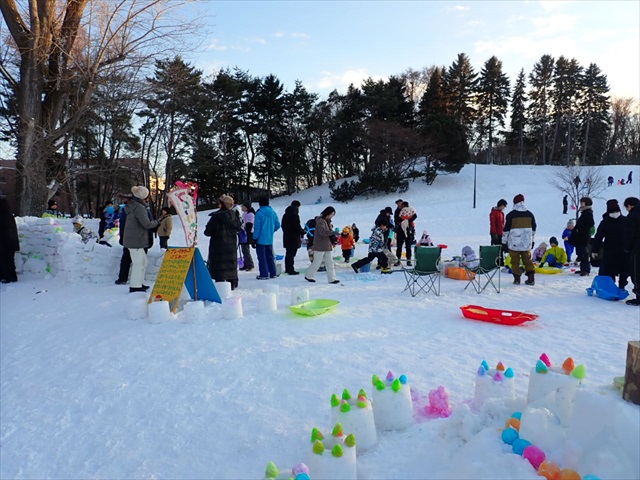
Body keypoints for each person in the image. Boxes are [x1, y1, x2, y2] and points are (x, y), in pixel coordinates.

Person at [123, 186, 159, 293]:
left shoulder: (132, 206)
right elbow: (146, 224)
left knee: (143, 262)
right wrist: (157, 222)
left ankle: (139, 282)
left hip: (133, 238)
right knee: (138, 264)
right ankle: (135, 286)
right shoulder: (139, 208)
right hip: (136, 240)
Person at [204, 195, 241, 290]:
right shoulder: (235, 215)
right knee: (230, 265)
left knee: (219, 268)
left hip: (218, 246)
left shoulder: (216, 217)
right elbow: (239, 228)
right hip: (231, 246)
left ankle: (221, 287)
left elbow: (207, 232)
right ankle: (232, 284)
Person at [591, 199, 629, 290]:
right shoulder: (624, 220)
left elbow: (598, 237)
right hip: (621, 250)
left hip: (612, 250)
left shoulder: (606, 222)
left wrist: (595, 250)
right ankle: (619, 287)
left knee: (610, 270)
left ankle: (612, 287)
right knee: (621, 270)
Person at [502, 193, 537, 285]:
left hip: (514, 243)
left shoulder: (511, 215)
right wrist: (532, 241)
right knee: (528, 260)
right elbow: (533, 229)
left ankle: (517, 279)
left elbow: (506, 230)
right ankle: (531, 279)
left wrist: (504, 242)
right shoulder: (530, 214)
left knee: (515, 261)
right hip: (526, 242)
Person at [304, 206, 339, 284]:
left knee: (330, 263)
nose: (332, 216)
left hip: (326, 245)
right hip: (320, 246)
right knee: (317, 262)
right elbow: (323, 232)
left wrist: (333, 238)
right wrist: (333, 232)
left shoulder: (327, 222)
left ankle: (332, 278)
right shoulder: (321, 221)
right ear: (328, 213)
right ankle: (309, 275)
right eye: (332, 214)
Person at [253, 197, 281, 280]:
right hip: (269, 238)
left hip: (260, 239)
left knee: (262, 257)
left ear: (259, 204)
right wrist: (271, 230)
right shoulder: (273, 212)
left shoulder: (259, 213)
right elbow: (278, 225)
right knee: (270, 256)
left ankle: (264, 274)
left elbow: (257, 227)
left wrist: (254, 238)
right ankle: (273, 272)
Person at [569, 196, 595, 276]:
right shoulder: (584, 212)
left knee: (584, 253)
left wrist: (580, 230)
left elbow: (591, 223)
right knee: (580, 253)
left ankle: (586, 270)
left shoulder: (588, 212)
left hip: (583, 237)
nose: (581, 203)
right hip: (580, 237)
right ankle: (583, 269)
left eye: (582, 202)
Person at [623, 197, 640, 306]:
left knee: (636, 273)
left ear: (630, 205)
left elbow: (629, 234)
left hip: (637, 248)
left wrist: (627, 247)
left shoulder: (633, 216)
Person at [281, 200, 306, 275]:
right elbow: (297, 226)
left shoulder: (285, 215)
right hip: (294, 237)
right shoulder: (295, 215)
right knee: (292, 254)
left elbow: (283, 226)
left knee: (288, 253)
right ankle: (290, 269)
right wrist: (302, 232)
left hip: (287, 236)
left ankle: (288, 268)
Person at [0, 198, 19, 283]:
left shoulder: (3, 216)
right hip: (10, 243)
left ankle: (8, 277)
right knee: (9, 261)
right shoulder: (8, 215)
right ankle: (9, 276)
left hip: (5, 244)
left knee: (5, 261)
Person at [395, 201, 417, 267]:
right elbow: (396, 219)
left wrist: (408, 221)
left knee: (408, 246)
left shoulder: (409, 209)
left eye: (400, 204)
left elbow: (415, 216)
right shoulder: (397, 211)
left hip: (409, 229)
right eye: (398, 204)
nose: (399, 205)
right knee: (399, 246)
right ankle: (398, 260)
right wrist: (404, 220)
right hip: (400, 230)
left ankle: (408, 260)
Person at [490, 199, 507, 264]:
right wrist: (494, 233)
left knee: (501, 248)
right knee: (497, 249)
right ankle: (497, 262)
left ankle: (501, 261)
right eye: (504, 206)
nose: (504, 208)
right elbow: (493, 224)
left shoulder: (501, 213)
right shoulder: (494, 213)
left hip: (501, 233)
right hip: (496, 233)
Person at [239, 201, 255, 272]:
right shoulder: (245, 213)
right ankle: (246, 263)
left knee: (246, 250)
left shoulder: (250, 214)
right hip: (244, 233)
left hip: (247, 234)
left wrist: (247, 234)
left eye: (243, 206)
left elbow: (249, 225)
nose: (241, 207)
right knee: (244, 249)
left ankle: (250, 264)